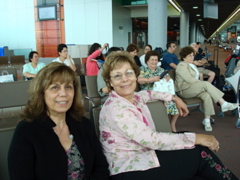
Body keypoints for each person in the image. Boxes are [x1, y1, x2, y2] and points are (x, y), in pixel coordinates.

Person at [99, 51, 239, 180]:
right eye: (117, 75)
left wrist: (174, 98)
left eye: (128, 73)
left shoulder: (134, 97)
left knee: (196, 156)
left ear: (136, 75)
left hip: (144, 155)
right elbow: (151, 139)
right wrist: (196, 137)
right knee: (199, 154)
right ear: (110, 81)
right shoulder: (117, 108)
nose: (124, 79)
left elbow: (149, 93)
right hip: (129, 168)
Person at [8, 62, 109, 179]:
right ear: (41, 93)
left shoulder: (83, 124)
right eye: (55, 87)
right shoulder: (27, 130)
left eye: (68, 87)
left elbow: (100, 166)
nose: (63, 93)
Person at [175, 46, 238, 131]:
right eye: (190, 55)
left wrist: (207, 72)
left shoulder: (190, 65)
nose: (192, 57)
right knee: (206, 85)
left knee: (206, 95)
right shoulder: (181, 65)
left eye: (193, 55)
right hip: (184, 90)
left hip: (191, 88)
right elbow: (189, 79)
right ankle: (223, 104)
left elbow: (198, 71)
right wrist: (202, 84)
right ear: (184, 57)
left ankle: (207, 120)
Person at [137, 50, 179, 132]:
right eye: (152, 59)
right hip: (149, 93)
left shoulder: (160, 69)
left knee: (175, 101)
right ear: (147, 61)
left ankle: (172, 124)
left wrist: (168, 78)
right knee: (166, 101)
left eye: (156, 60)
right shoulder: (142, 69)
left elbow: (168, 78)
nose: (154, 62)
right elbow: (138, 80)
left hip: (162, 92)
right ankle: (159, 125)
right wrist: (150, 79)